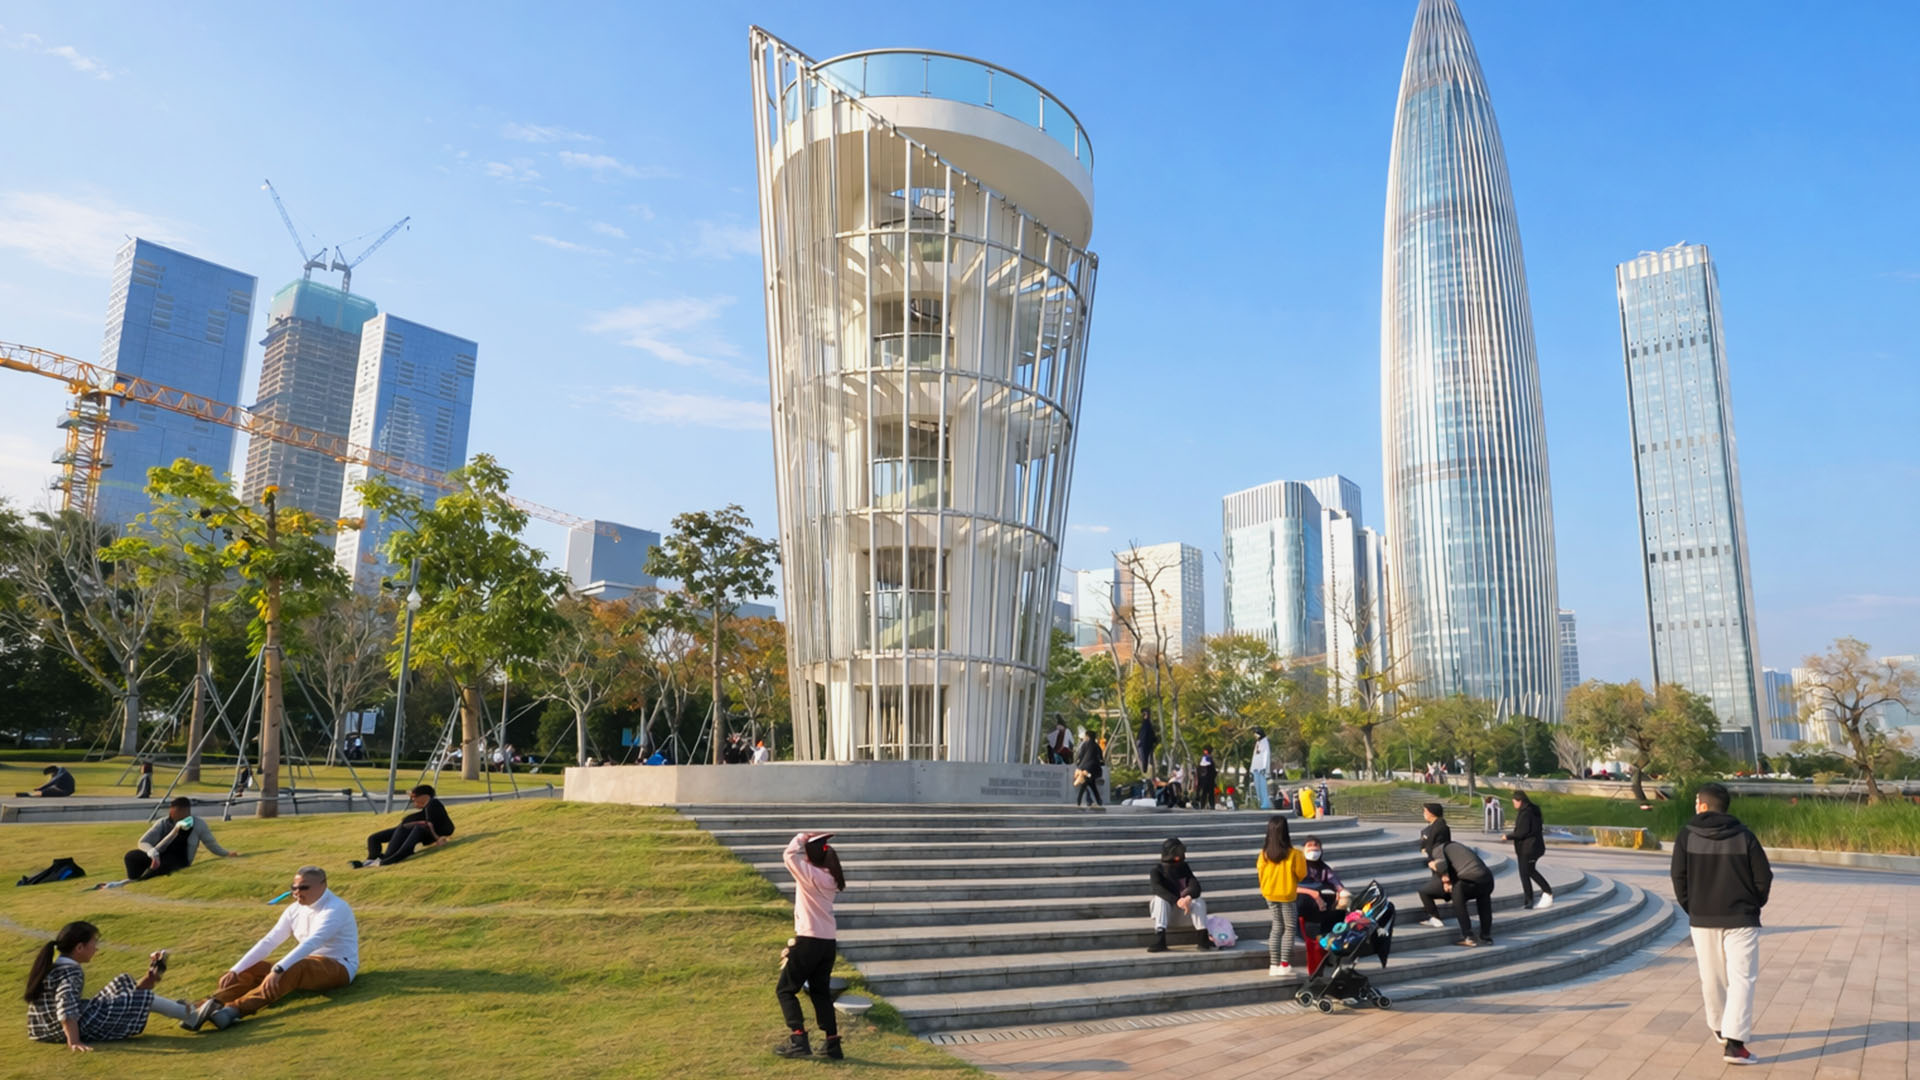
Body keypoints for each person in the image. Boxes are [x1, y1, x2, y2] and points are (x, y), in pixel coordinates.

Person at [181, 865, 358, 1032]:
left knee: (293, 967)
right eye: (294, 888)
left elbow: (312, 942)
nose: (297, 893)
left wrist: (278, 969)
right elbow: (270, 941)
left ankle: (233, 1011)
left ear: (323, 885)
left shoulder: (336, 909)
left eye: (304, 888)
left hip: (339, 966)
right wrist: (236, 969)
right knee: (254, 968)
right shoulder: (293, 910)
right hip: (307, 961)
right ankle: (207, 1005)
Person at [1672, 782, 1772, 1066]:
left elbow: (1678, 878)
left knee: (1712, 976)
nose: (1695, 806)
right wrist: (1753, 905)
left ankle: (1720, 1028)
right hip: (1742, 918)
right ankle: (1735, 1044)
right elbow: (1764, 877)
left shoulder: (1686, 836)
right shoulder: (1745, 836)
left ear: (1703, 806)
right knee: (1742, 978)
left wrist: (1693, 908)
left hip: (1702, 919)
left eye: (1696, 801)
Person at [24, 921, 191, 1050]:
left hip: (47, 1029)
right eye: (93, 943)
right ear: (80, 947)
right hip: (63, 1030)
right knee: (144, 998)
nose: (96, 948)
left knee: (122, 981)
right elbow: (65, 1005)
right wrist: (74, 1041)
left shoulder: (57, 966)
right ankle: (189, 1015)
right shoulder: (72, 973)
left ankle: (150, 981)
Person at [774, 832, 845, 1060]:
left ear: (811, 856)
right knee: (820, 993)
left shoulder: (809, 874)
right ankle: (832, 1043)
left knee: (785, 990)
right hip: (828, 943)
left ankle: (798, 1039)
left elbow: (788, 855)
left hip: (808, 940)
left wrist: (801, 837)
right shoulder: (831, 877)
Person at [124, 797, 240, 881]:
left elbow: (210, 843)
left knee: (166, 865)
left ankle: (141, 880)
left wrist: (226, 853)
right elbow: (143, 841)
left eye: (184, 814)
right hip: (159, 854)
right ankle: (134, 878)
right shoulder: (163, 823)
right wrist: (152, 852)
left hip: (180, 859)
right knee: (131, 856)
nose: (181, 818)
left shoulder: (198, 824)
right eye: (177, 814)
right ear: (171, 812)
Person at [353, 784, 454, 868]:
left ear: (424, 796)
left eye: (414, 797)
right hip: (411, 828)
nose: (413, 801)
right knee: (374, 838)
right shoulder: (428, 807)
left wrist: (438, 838)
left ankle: (387, 860)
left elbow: (429, 823)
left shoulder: (433, 803)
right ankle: (371, 859)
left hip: (422, 831)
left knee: (408, 829)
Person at [1256, 816, 1308, 975]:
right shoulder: (1295, 854)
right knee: (1290, 927)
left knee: (1277, 927)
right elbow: (1301, 874)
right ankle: (1284, 964)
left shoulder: (1264, 854)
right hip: (1287, 895)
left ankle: (1273, 964)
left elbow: (1260, 872)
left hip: (1269, 894)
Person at [1419, 841, 1494, 946]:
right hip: (1487, 878)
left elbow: (1442, 865)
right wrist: (1448, 881)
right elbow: (1455, 867)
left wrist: (1433, 865)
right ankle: (1486, 936)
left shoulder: (1439, 850)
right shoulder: (1458, 847)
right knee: (1484, 904)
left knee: (1458, 901)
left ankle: (1469, 936)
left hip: (1470, 878)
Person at [1147, 838, 1214, 952]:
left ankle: (1202, 938)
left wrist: (1187, 898)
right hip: (1167, 916)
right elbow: (1157, 889)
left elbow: (1195, 887)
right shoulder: (1157, 871)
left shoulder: (1184, 868)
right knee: (1159, 899)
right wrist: (1178, 900)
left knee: (1198, 900)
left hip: (1186, 912)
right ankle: (1160, 936)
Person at [1505, 791, 1552, 909]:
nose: (1514, 805)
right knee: (1526, 872)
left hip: (1528, 848)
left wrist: (1508, 836)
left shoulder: (1526, 813)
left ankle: (1546, 892)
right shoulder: (1533, 810)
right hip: (1532, 847)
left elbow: (1522, 832)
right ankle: (1529, 900)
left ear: (1520, 801)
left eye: (1514, 802)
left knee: (1527, 872)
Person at [1297, 835, 1348, 934]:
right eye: (1309, 845)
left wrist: (1340, 893)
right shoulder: (1297, 866)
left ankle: (1330, 934)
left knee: (1341, 904)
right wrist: (1313, 894)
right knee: (1303, 899)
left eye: (1316, 845)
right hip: (1301, 899)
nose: (1313, 848)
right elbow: (1289, 887)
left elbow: (1336, 883)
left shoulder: (1324, 868)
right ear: (1303, 849)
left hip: (1320, 901)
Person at [1074, 730, 1105, 808]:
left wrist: (1078, 764)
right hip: (1094, 769)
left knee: (1085, 784)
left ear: (1087, 736)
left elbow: (1080, 755)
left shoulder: (1085, 744)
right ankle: (1098, 801)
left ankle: (1079, 801)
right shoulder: (1096, 746)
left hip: (1085, 769)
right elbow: (1101, 757)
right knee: (1091, 784)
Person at [1250, 730, 1272, 810]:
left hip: (1261, 769)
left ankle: (1265, 803)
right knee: (1257, 786)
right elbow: (1254, 756)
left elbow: (1266, 754)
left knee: (1263, 786)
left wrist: (1264, 767)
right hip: (1256, 768)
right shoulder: (1257, 743)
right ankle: (1261, 802)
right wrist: (1252, 769)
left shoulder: (1265, 742)